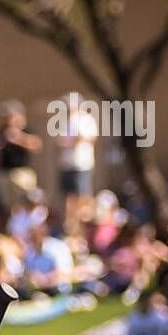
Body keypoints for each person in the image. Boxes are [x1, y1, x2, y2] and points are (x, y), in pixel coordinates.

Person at [0, 100, 43, 216]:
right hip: (5, 172)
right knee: (8, 203)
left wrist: (19, 138)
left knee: (25, 201)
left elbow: (37, 145)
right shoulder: (3, 131)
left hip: (21, 172)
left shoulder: (26, 130)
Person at [56, 98, 98, 235]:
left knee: (82, 195)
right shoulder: (66, 121)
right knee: (69, 196)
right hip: (68, 164)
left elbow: (88, 138)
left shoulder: (85, 120)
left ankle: (83, 225)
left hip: (81, 164)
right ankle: (71, 226)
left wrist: (73, 140)